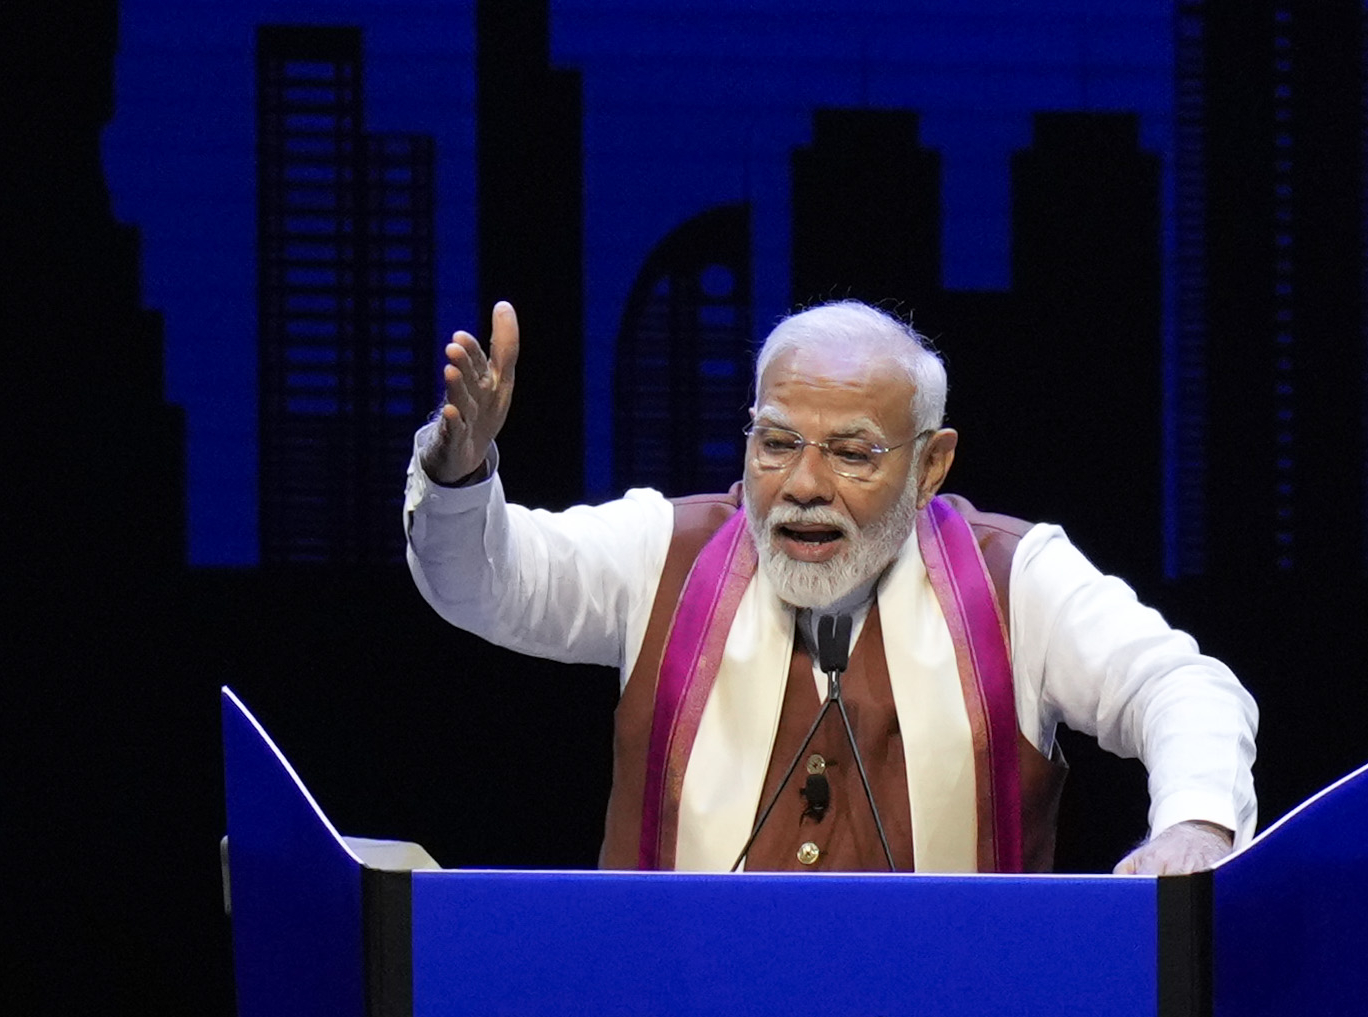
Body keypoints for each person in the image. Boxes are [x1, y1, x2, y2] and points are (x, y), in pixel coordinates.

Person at [405, 298, 1257, 875]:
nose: (802, 483)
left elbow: (1180, 686)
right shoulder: (663, 551)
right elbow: (486, 582)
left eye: (851, 453)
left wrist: (1192, 825)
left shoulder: (1013, 580)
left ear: (931, 464)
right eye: (775, 443)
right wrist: (459, 473)